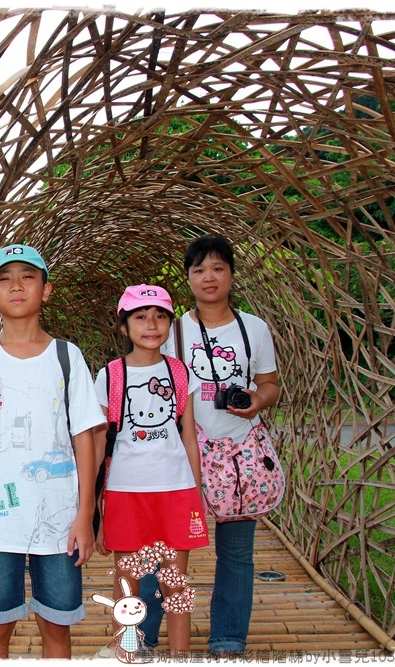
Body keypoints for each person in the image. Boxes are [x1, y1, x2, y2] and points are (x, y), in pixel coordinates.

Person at [0, 243, 105, 659]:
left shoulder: (66, 357)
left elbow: (83, 439)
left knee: (57, 627)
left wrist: (84, 515)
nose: (16, 286)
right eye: (4, 278)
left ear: (46, 290)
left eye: (28, 276)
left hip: (59, 525)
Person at [145, 234, 281, 657]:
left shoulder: (253, 328)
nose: (209, 277)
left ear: (232, 275)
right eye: (200, 269)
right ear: (187, 278)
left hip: (240, 453)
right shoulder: (173, 330)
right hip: (185, 455)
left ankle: (227, 639)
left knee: (237, 553)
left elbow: (270, 384)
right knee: (164, 547)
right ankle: (146, 634)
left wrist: (257, 400)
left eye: (218, 268)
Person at [91, 284, 208, 660]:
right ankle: (125, 651)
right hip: (126, 491)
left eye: (160, 316)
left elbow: (189, 435)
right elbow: (98, 444)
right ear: (124, 327)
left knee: (174, 580)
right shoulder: (110, 376)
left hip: (176, 489)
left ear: (170, 324)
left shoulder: (180, 373)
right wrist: (95, 508)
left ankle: (180, 655)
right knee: (128, 583)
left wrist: (197, 491)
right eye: (140, 317)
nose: (151, 324)